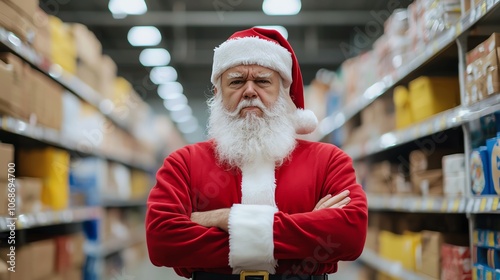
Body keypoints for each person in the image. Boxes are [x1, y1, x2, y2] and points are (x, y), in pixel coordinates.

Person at [146, 27, 368, 280]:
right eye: (236, 81)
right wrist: (306, 229)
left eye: (263, 81)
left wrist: (225, 219)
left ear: (284, 93)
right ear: (218, 92)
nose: (250, 91)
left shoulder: (329, 160)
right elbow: (162, 242)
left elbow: (349, 236)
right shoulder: (183, 163)